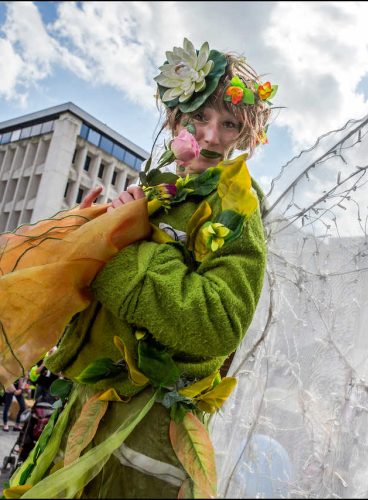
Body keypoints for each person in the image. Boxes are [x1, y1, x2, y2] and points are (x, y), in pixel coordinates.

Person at [6, 37, 274, 498]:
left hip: (141, 437)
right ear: (175, 118)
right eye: (199, 119)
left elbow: (217, 324)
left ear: (245, 134)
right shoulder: (157, 193)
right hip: (86, 410)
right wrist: (90, 232)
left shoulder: (238, 210)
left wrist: (122, 251)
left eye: (228, 124)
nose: (211, 137)